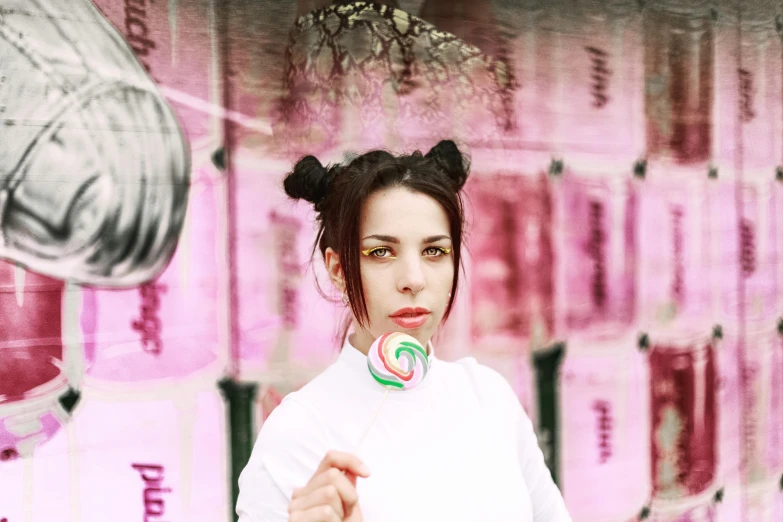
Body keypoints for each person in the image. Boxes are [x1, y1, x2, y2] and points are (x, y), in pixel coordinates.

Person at [236, 141, 572, 522]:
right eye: (381, 253)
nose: (413, 280)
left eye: (434, 252)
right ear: (337, 269)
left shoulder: (490, 398)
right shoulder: (300, 430)